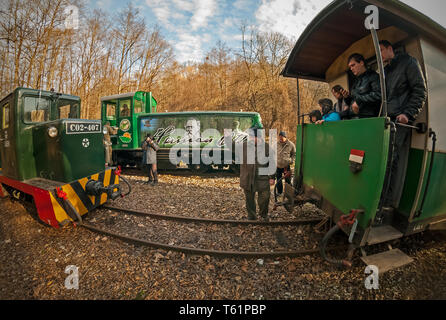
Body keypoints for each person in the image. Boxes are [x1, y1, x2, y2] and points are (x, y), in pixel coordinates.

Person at [379, 40, 427, 210]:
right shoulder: (385, 71)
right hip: (385, 120)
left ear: (390, 48)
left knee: (391, 159)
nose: (380, 55)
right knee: (381, 158)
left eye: (382, 50)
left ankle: (385, 203)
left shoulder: (408, 62)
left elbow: (420, 90)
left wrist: (408, 113)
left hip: (399, 121)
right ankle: (377, 197)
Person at [239, 127, 275, 220]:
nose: (250, 139)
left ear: (258, 137)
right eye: (250, 136)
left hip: (262, 177)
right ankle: (252, 216)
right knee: (249, 199)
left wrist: (272, 177)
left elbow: (272, 162)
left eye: (252, 137)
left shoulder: (267, 147)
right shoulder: (244, 146)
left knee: (264, 198)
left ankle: (263, 215)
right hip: (248, 178)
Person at [343, 53, 381, 118]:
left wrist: (358, 101)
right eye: (350, 67)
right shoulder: (356, 81)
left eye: (353, 65)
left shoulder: (373, 76)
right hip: (355, 117)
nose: (351, 69)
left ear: (361, 63)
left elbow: (378, 95)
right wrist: (347, 98)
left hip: (368, 118)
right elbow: (353, 101)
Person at [275, 131, 296, 196]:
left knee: (287, 180)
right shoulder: (276, 144)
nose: (280, 139)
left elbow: (294, 154)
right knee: (278, 180)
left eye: (282, 138)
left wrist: (291, 160)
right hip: (278, 165)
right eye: (279, 137)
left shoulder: (291, 144)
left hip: (286, 166)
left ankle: (288, 193)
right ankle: (280, 192)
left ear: (285, 137)